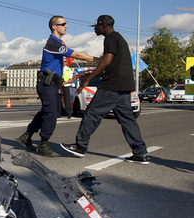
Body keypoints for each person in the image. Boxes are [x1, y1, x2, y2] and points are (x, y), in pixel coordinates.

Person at [61, 15, 149, 164]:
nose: (95, 29)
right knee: (127, 120)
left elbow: (107, 61)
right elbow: (111, 65)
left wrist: (88, 80)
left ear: (103, 26)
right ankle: (140, 153)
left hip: (112, 86)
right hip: (124, 86)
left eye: (95, 27)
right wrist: (89, 74)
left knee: (91, 114)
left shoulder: (110, 38)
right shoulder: (119, 39)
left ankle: (80, 146)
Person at [16, 16, 98, 157]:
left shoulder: (58, 42)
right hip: (46, 84)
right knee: (51, 114)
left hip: (52, 84)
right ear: (54, 26)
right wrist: (100, 60)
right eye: (63, 24)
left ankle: (26, 136)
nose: (66, 26)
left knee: (46, 112)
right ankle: (43, 144)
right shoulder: (53, 43)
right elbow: (77, 54)